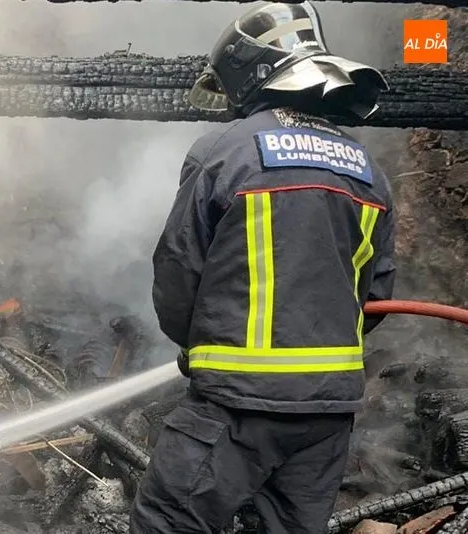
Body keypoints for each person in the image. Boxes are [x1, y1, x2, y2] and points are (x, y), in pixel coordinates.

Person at [130, 2, 396, 533]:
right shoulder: (367, 171)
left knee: (168, 521)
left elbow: (179, 271)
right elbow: (375, 294)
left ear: (247, 74)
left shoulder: (224, 152)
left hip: (238, 406)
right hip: (327, 412)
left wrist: (198, 349)